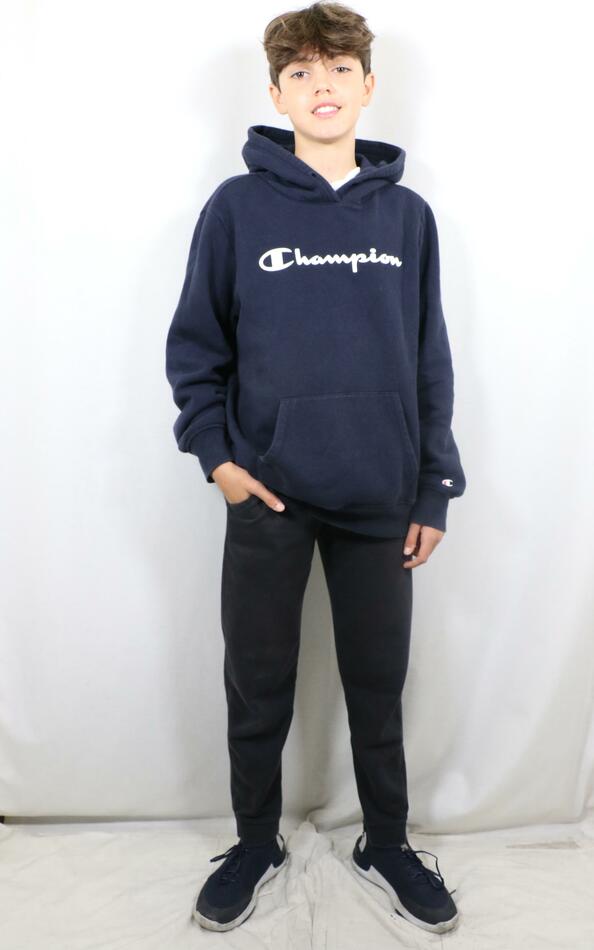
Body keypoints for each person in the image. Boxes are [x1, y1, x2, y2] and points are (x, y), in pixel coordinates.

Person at [165, 0, 466, 935]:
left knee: (379, 684)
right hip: (268, 494)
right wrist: (219, 461)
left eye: (338, 69)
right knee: (257, 682)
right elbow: (197, 348)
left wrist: (433, 486)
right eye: (300, 71)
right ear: (276, 93)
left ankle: (388, 841)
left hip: (381, 494)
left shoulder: (406, 217)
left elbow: (429, 360)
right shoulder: (236, 208)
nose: (321, 85)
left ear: (368, 86)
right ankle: (255, 843)